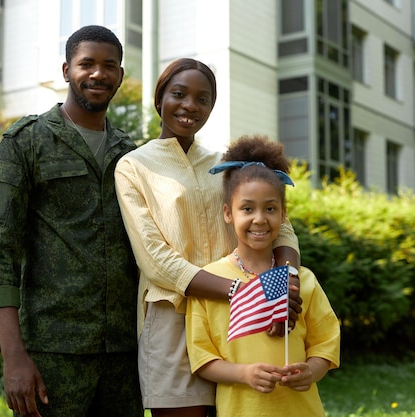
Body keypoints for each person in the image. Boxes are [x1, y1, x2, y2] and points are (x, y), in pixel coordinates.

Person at [114, 58, 302, 417]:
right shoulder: (133, 166)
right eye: (179, 94)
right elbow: (155, 258)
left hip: (245, 314)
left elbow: (283, 227)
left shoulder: (228, 165)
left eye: (203, 99)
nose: (189, 106)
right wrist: (241, 292)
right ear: (159, 100)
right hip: (175, 314)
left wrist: (285, 283)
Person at [0, 25, 142, 417]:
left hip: (123, 354)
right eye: (87, 64)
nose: (98, 74)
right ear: (67, 70)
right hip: (52, 353)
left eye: (109, 65)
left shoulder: (131, 154)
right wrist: (13, 357)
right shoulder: (25, 142)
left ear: (120, 75)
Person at [185, 134, 341, 417]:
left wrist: (312, 371)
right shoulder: (210, 281)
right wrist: (244, 373)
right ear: (227, 213)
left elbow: (325, 342)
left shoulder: (302, 280)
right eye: (247, 208)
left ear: (283, 215)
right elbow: (202, 358)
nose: (259, 219)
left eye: (270, 208)